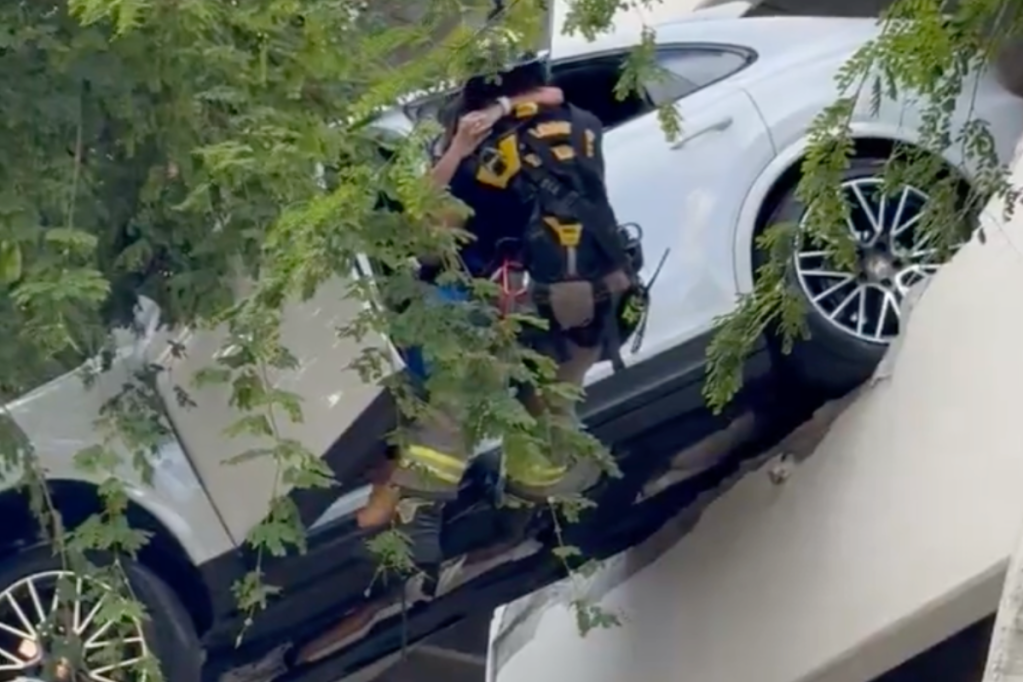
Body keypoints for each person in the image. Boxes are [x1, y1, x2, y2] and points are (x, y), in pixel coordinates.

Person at [358, 53, 646, 567]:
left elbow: (427, 230)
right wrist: (508, 105)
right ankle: (526, 517)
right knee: (549, 413)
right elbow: (553, 99)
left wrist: (458, 147)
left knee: (453, 409)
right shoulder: (584, 126)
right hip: (603, 289)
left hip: (522, 304)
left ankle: (421, 526)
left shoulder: (482, 159)